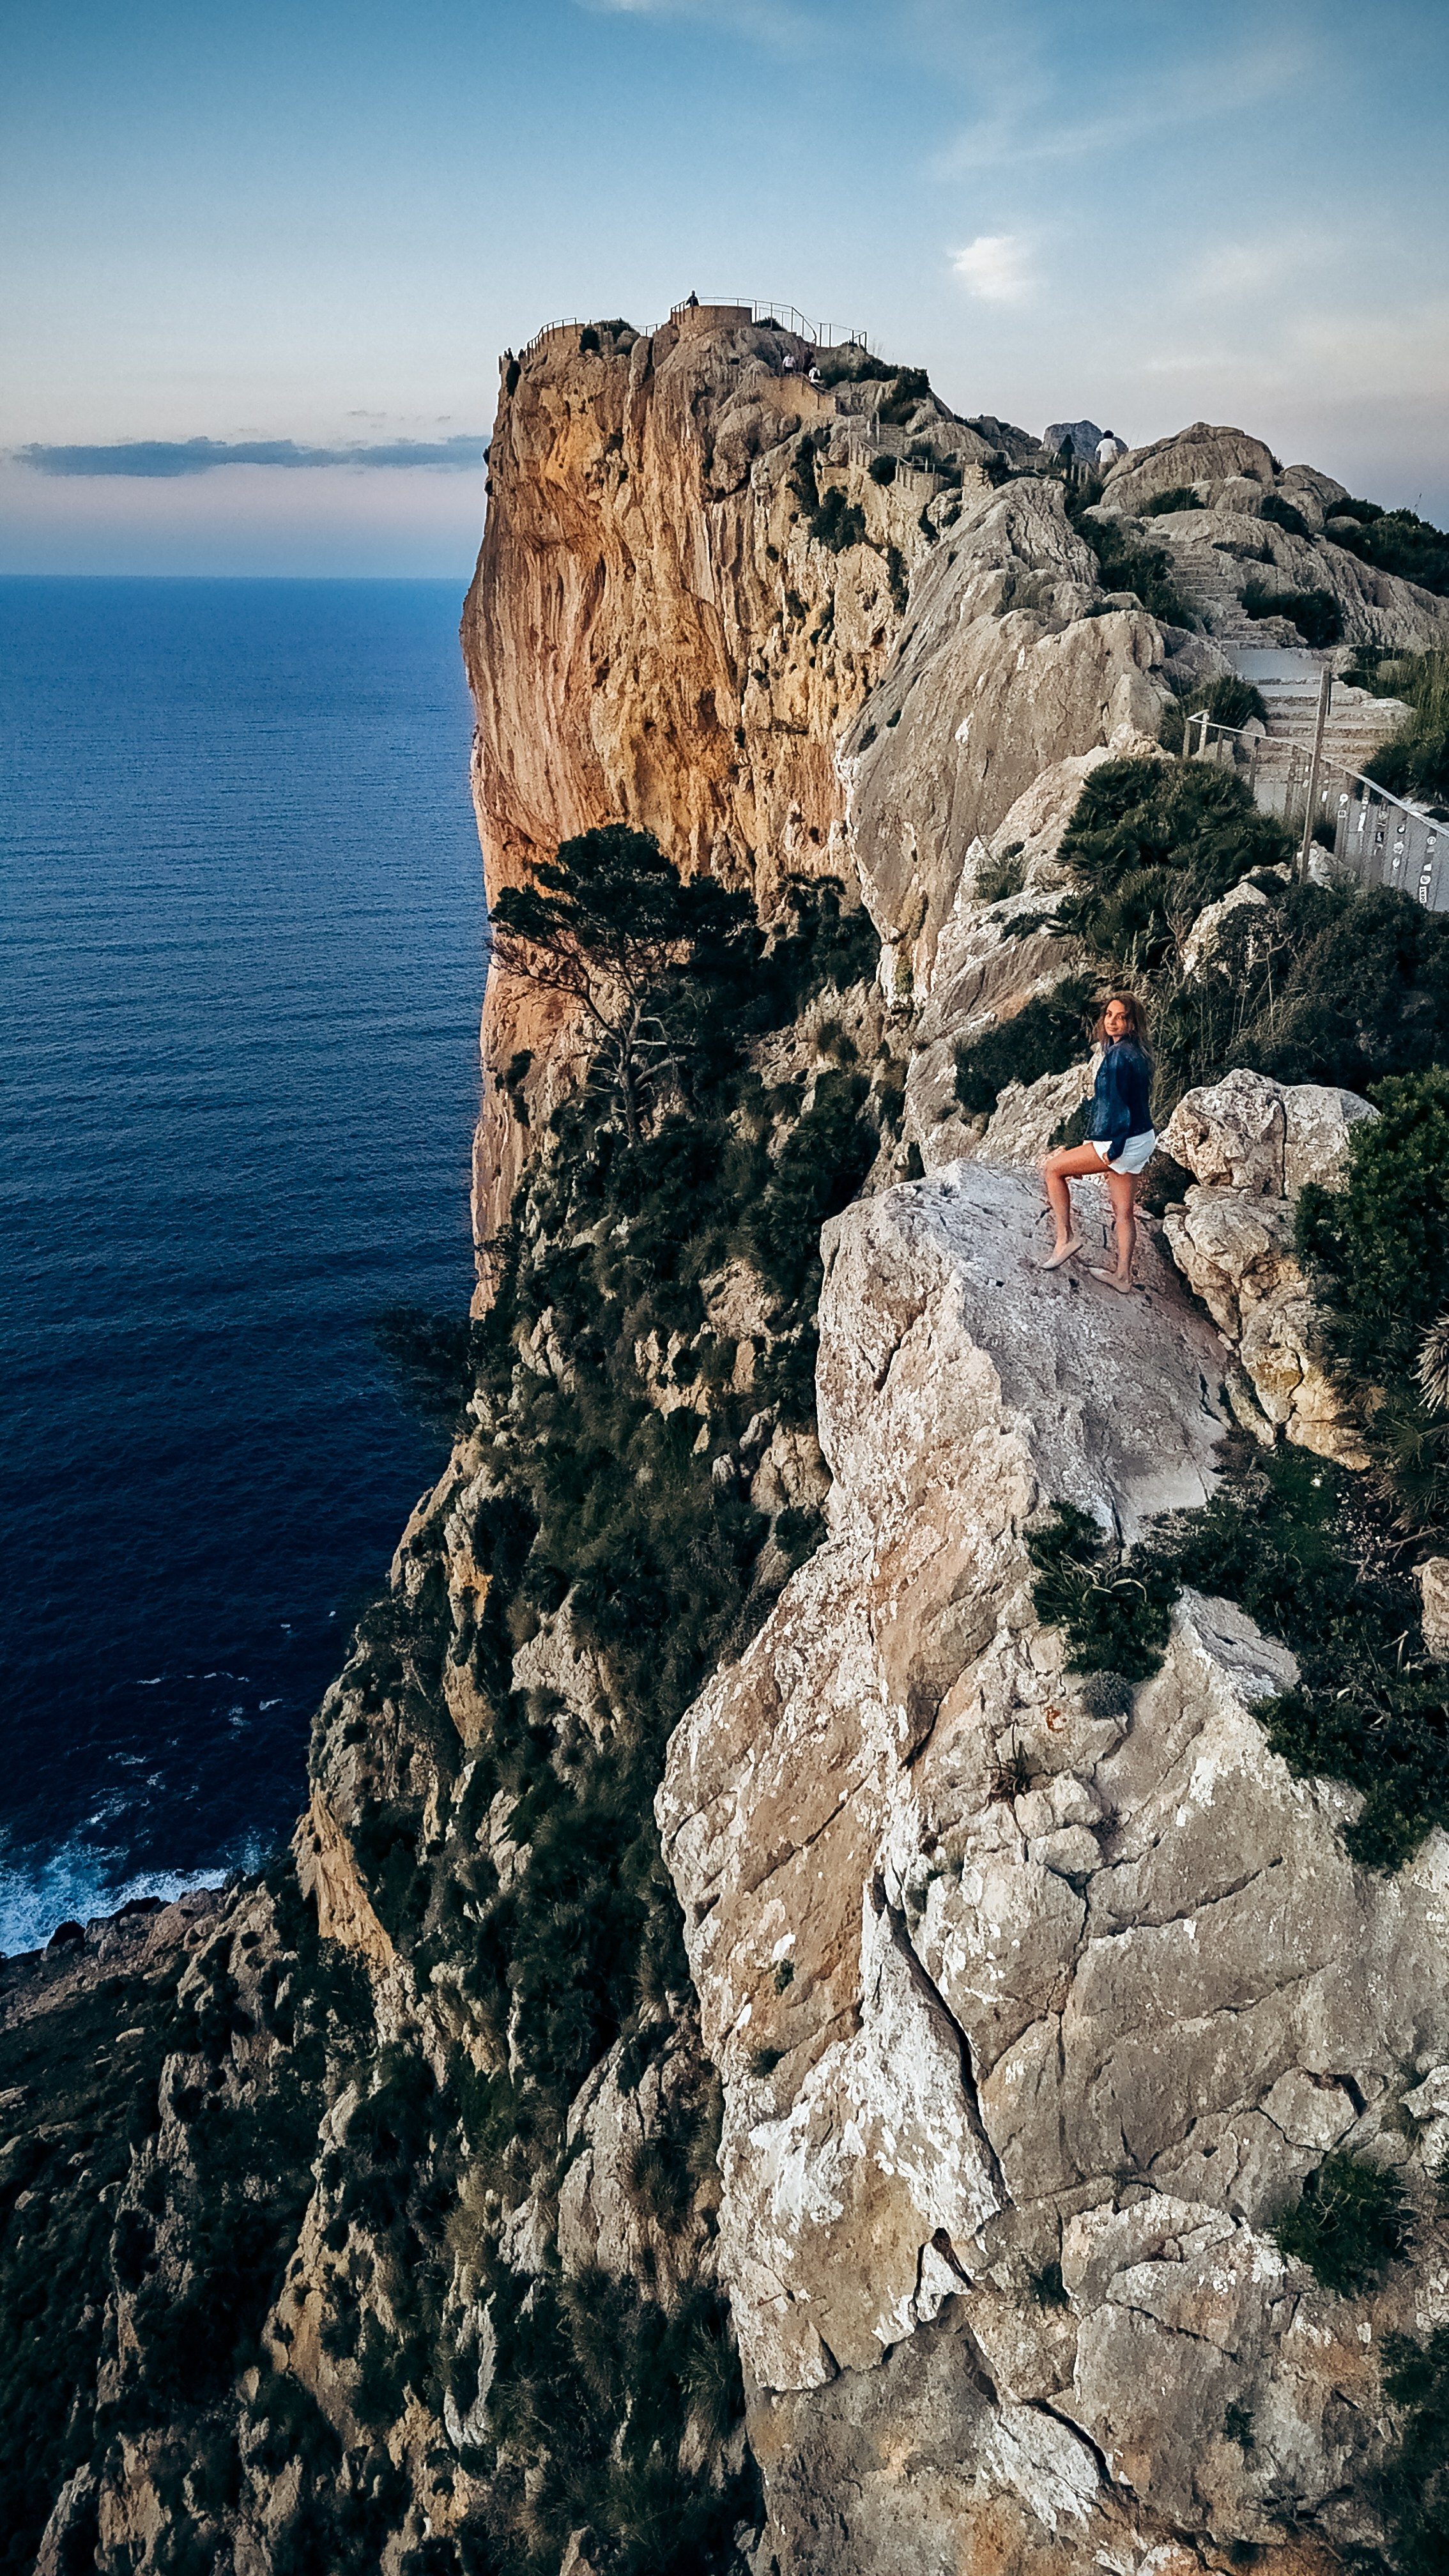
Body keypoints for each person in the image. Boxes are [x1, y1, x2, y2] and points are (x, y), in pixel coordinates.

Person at [1040, 993, 1156, 1292]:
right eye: (1109, 1015)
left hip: (1121, 1139)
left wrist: (1107, 1150)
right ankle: (1122, 1277)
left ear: (1132, 1023)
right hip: (1141, 1138)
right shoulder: (1136, 1052)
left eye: (1121, 1017)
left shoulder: (1118, 1057)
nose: (1113, 1022)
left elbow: (1117, 1106)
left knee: (1054, 1170)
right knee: (1124, 1212)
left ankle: (1066, 1239)